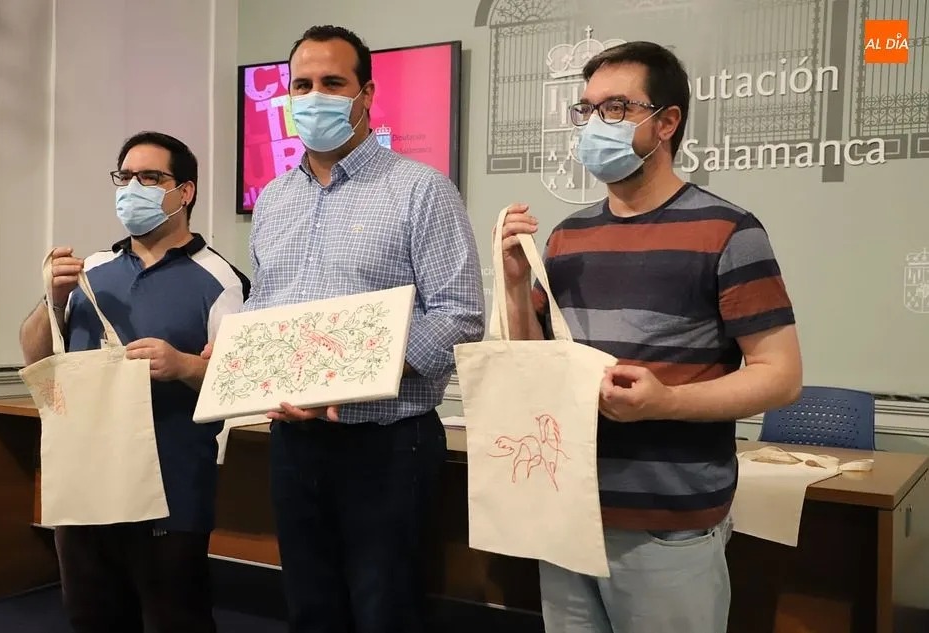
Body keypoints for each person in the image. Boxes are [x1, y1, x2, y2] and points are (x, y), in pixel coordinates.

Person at [499, 42, 803, 633]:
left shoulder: (729, 231)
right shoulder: (567, 236)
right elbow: (537, 368)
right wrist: (514, 287)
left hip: (670, 526)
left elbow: (780, 375)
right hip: (566, 509)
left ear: (666, 122)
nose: (594, 125)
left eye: (615, 108)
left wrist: (667, 401)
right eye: (586, 111)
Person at [240, 23, 484, 633]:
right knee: (309, 609)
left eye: (332, 82)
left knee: (386, 613)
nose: (314, 95)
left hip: (386, 446)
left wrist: (348, 373)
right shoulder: (273, 201)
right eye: (302, 84)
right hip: (294, 442)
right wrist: (243, 357)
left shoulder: (421, 191)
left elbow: (459, 316)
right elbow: (265, 309)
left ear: (366, 94)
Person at [18, 131, 250, 633]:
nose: (132, 187)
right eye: (125, 177)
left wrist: (184, 366)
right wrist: (52, 299)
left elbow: (242, 382)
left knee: (175, 620)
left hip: (170, 490)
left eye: (150, 177)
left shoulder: (222, 280)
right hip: (86, 486)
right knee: (91, 617)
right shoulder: (92, 270)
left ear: (184, 191)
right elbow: (35, 356)